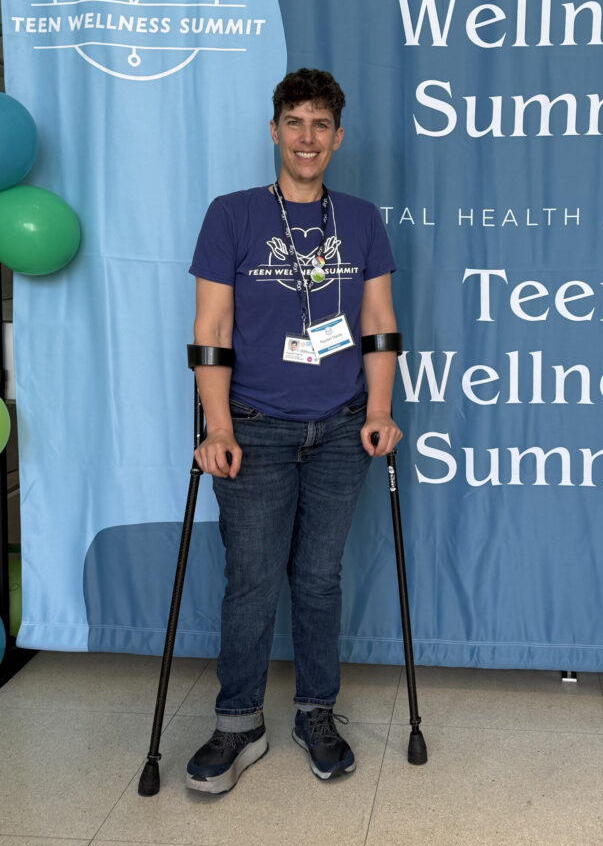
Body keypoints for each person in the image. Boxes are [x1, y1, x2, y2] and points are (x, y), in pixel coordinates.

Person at [185, 68, 401, 792]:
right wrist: (217, 426)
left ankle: (316, 711)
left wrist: (377, 411)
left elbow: (378, 324)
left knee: (317, 579)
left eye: (320, 125)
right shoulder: (233, 215)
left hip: (341, 429)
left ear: (337, 139)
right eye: (294, 122)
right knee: (250, 581)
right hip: (255, 428)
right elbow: (211, 328)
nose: (307, 137)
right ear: (274, 130)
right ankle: (238, 723)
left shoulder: (362, 221)